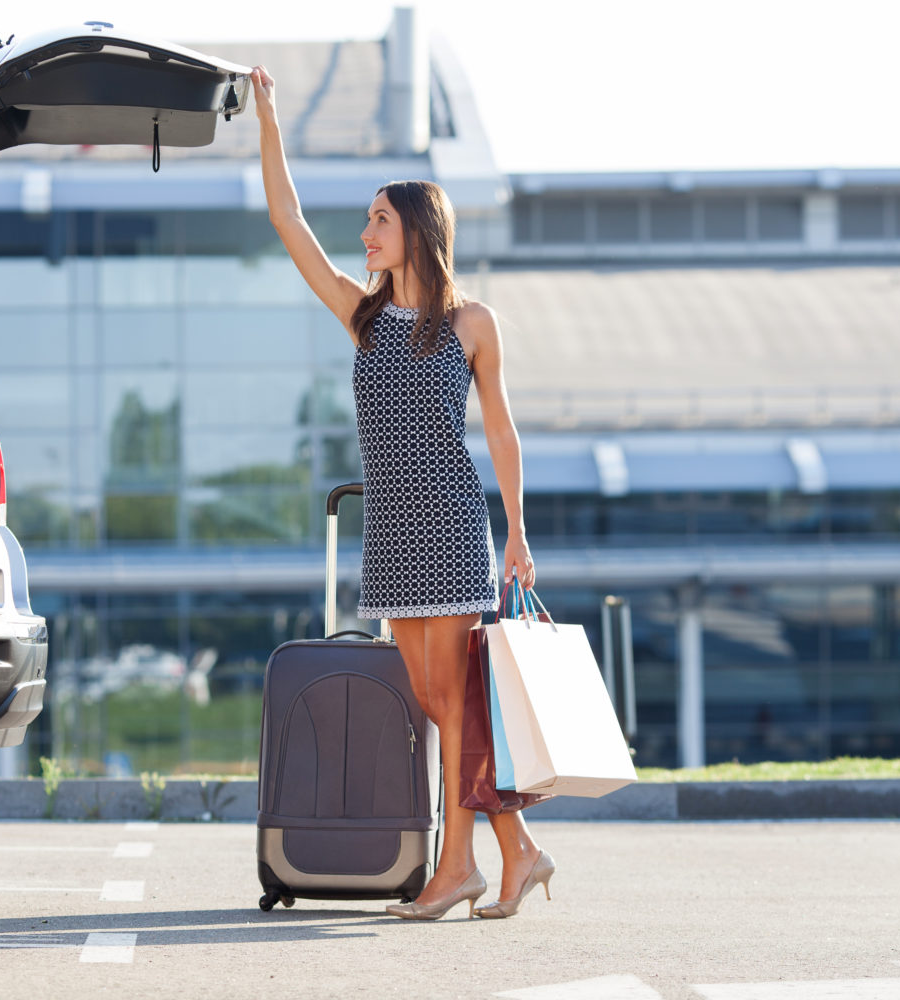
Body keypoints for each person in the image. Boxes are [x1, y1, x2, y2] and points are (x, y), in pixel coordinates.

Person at [250, 65, 555, 920]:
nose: (365, 234)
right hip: (392, 531)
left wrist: (520, 532)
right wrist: (268, 119)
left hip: (454, 525)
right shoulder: (361, 315)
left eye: (379, 221)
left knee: (454, 702)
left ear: (417, 229)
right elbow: (288, 221)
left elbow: (501, 433)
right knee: (429, 700)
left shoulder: (474, 325)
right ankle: (518, 851)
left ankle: (457, 870)